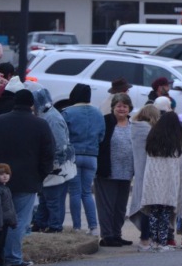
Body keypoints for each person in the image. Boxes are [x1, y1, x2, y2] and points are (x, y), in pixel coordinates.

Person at [0, 89, 54, 266]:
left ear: (15, 102)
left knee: (0, 219)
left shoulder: (0, 121)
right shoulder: (40, 124)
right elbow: (48, 153)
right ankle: (12, 257)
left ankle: (1, 258)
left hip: (0, 177)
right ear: (32, 105)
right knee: (19, 220)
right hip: (28, 179)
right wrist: (41, 174)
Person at [140, 112, 182, 252]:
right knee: (165, 215)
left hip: (153, 185)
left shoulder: (152, 140)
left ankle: (153, 241)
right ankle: (162, 242)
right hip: (169, 186)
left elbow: (149, 164)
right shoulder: (176, 144)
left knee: (154, 213)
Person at [30, 88, 76, 234]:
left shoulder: (52, 118)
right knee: (44, 197)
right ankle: (41, 222)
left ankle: (55, 226)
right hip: (50, 165)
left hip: (56, 166)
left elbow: (59, 144)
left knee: (53, 199)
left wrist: (52, 164)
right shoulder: (47, 115)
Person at [62, 83, 105, 236]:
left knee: (74, 192)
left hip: (73, 156)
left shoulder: (67, 112)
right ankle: (93, 227)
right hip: (91, 156)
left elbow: (63, 136)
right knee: (87, 192)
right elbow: (101, 137)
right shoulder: (98, 113)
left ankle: (77, 227)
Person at [95, 92, 135, 247]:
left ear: (129, 108)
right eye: (119, 106)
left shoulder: (133, 125)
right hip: (107, 172)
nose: (122, 109)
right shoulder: (105, 122)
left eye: (125, 106)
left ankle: (117, 234)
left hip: (126, 173)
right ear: (113, 108)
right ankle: (107, 236)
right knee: (107, 206)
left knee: (120, 207)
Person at [128, 104, 160, 252]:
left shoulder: (133, 128)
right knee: (149, 207)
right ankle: (146, 239)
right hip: (151, 172)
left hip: (139, 171)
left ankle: (144, 239)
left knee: (142, 206)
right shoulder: (151, 131)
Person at [0, 163, 18, 266]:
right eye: (1, 174)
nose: (5, 176)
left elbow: (10, 207)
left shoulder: (5, 188)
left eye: (7, 173)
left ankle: (1, 263)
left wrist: (13, 221)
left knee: (2, 244)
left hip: (4, 222)